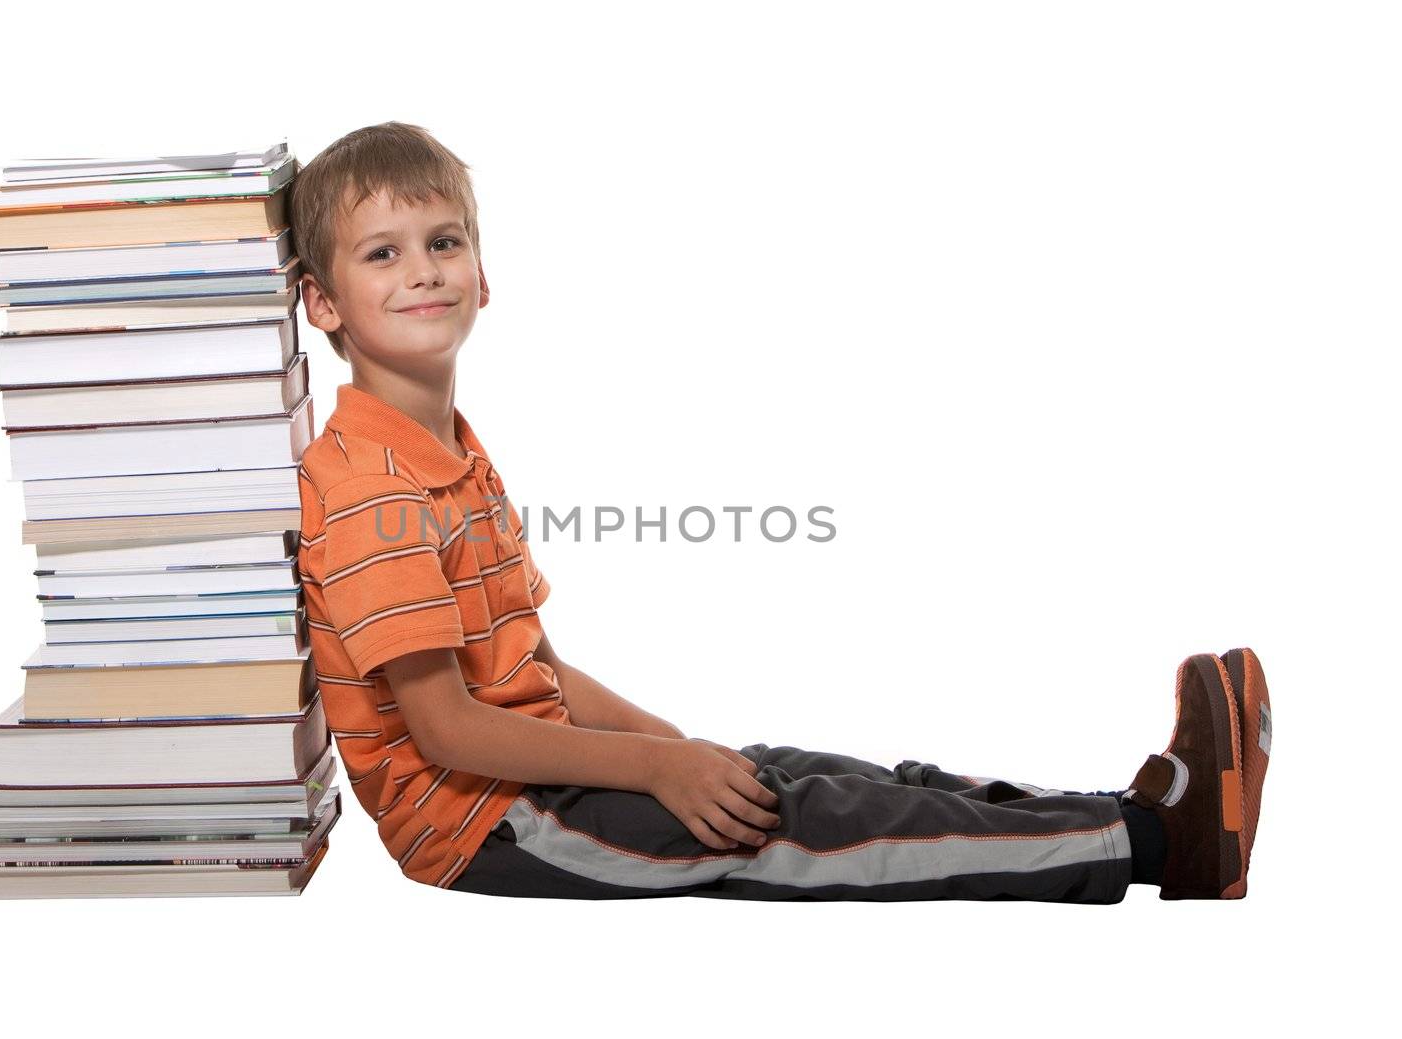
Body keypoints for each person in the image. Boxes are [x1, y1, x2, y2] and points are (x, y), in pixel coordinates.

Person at [288, 121, 1273, 902]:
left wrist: (672, 751)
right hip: (485, 822)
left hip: (540, 776)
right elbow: (450, 731)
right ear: (323, 303)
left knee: (792, 770)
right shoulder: (367, 479)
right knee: (796, 826)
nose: (422, 269)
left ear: (484, 275)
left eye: (444, 241)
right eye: (382, 252)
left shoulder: (450, 447)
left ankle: (1138, 811)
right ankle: (1152, 848)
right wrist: (649, 768)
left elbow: (530, 666)